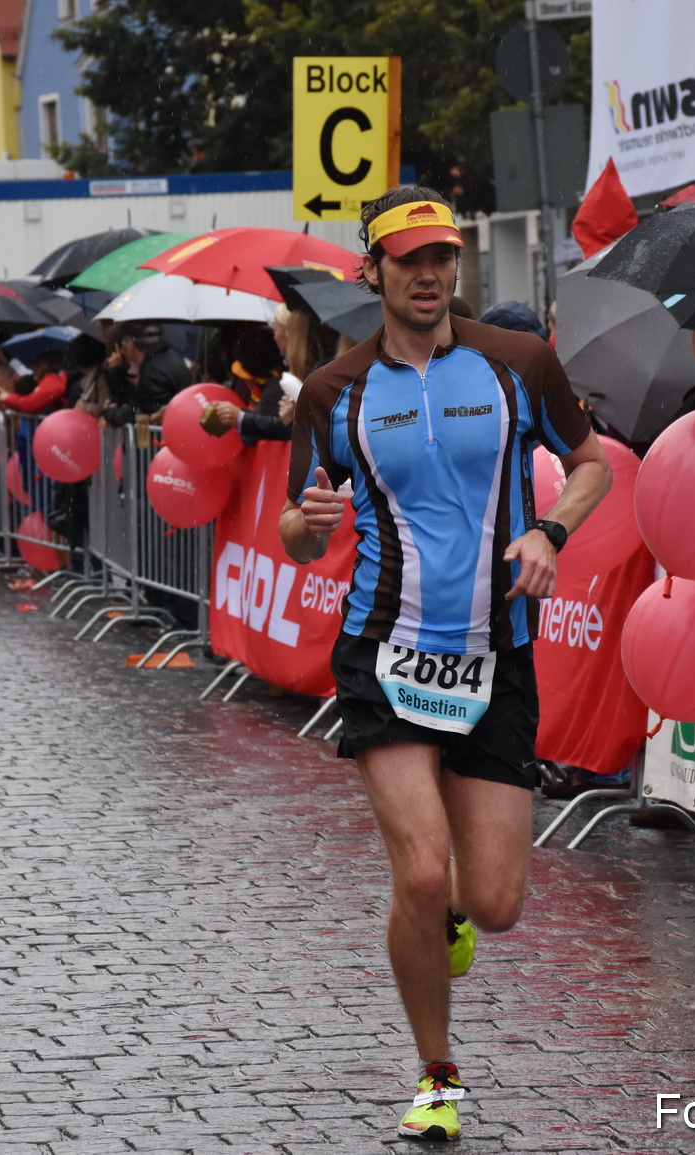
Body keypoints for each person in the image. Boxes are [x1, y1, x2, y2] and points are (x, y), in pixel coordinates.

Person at [280, 186, 612, 1143]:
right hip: (383, 650)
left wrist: (550, 529)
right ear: (374, 270)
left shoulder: (517, 365)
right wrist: (305, 529)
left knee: (494, 902)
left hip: (495, 653)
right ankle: (437, 1074)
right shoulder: (334, 393)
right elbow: (295, 530)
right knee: (422, 874)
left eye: (444, 259)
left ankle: (452, 920)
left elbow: (592, 463)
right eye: (411, 260)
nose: (430, 275)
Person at [102, 322, 192, 427]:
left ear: (130, 345)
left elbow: (144, 414)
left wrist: (110, 413)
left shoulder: (152, 373)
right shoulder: (171, 357)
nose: (122, 351)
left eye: (123, 344)